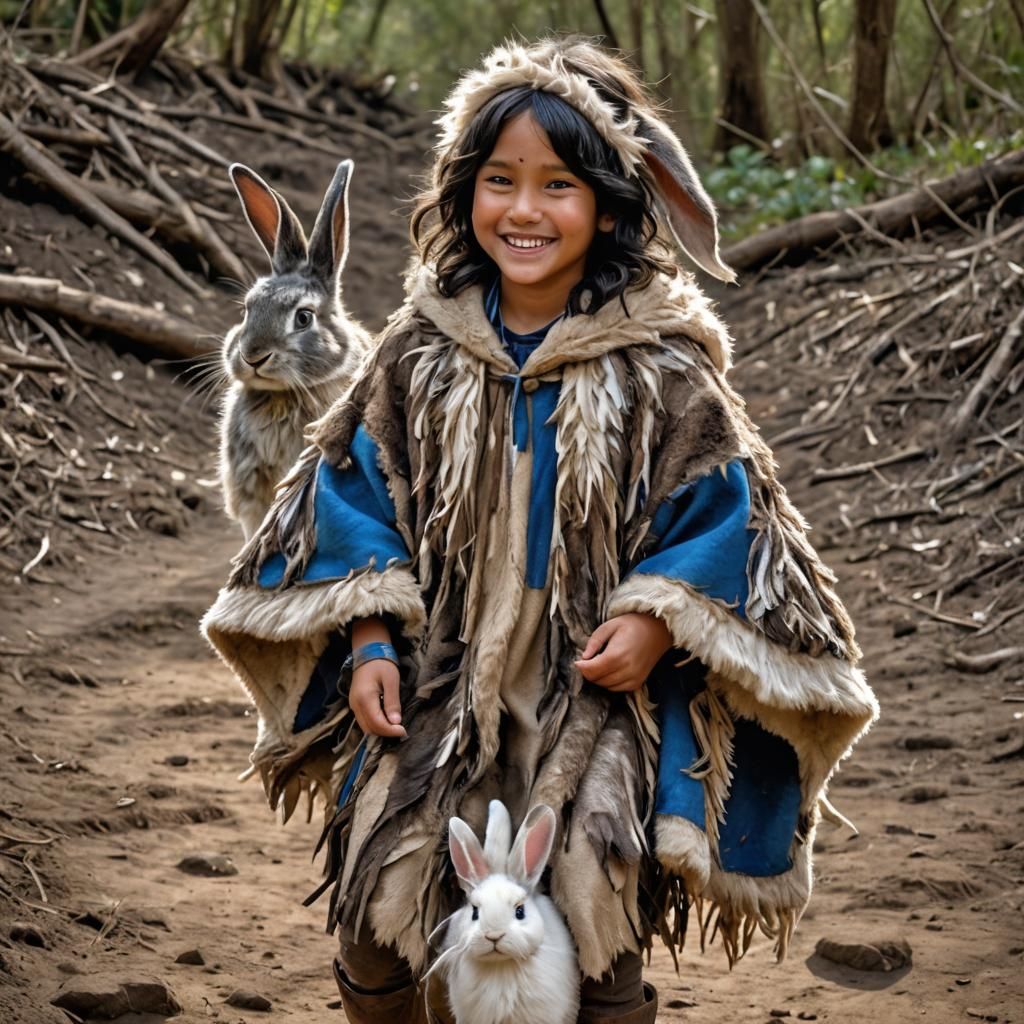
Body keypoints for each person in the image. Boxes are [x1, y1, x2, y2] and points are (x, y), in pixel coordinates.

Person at [202, 37, 877, 1024]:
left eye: (558, 184)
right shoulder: (417, 354)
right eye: (500, 180)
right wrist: (370, 636)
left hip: (599, 700)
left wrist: (657, 617)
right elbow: (348, 499)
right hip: (432, 686)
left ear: (611, 200)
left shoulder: (664, 370)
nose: (524, 209)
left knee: (598, 919)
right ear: (463, 191)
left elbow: (729, 520)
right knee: (380, 906)